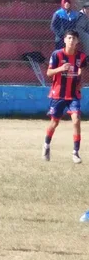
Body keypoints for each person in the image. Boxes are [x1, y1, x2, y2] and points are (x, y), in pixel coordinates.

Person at [43, 30, 87, 164]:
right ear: (64, 40)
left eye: (74, 39)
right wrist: (61, 69)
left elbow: (82, 71)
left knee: (76, 120)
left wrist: (80, 82)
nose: (71, 41)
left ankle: (75, 152)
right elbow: (49, 72)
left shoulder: (81, 56)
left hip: (73, 95)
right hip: (58, 95)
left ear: (77, 41)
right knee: (54, 122)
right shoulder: (57, 54)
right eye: (69, 38)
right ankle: (46, 145)